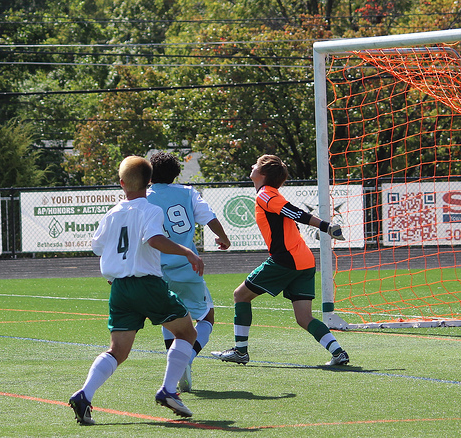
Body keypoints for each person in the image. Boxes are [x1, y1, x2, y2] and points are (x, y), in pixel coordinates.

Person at [69, 156, 204, 424]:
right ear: (149, 181)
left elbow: (98, 247)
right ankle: (168, 390)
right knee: (187, 332)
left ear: (122, 183)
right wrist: (187, 251)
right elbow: (153, 239)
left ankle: (84, 395)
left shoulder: (111, 213)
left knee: (117, 351)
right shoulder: (150, 209)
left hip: (119, 288)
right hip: (147, 284)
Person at [211, 154, 349, 366]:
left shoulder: (265, 194)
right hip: (304, 260)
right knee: (304, 318)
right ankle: (338, 352)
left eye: (256, 164)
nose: (252, 165)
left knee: (240, 295)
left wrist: (325, 226)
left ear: (263, 174)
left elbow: (294, 212)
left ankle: (240, 351)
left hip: (287, 259)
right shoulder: (271, 194)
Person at [147, 151, 231, 392]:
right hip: (188, 265)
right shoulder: (187, 193)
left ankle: (176, 367)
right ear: (176, 174)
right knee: (206, 317)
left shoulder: (144, 197)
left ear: (150, 175)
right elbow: (209, 217)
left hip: (157, 270)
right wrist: (223, 237)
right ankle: (187, 358)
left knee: (169, 317)